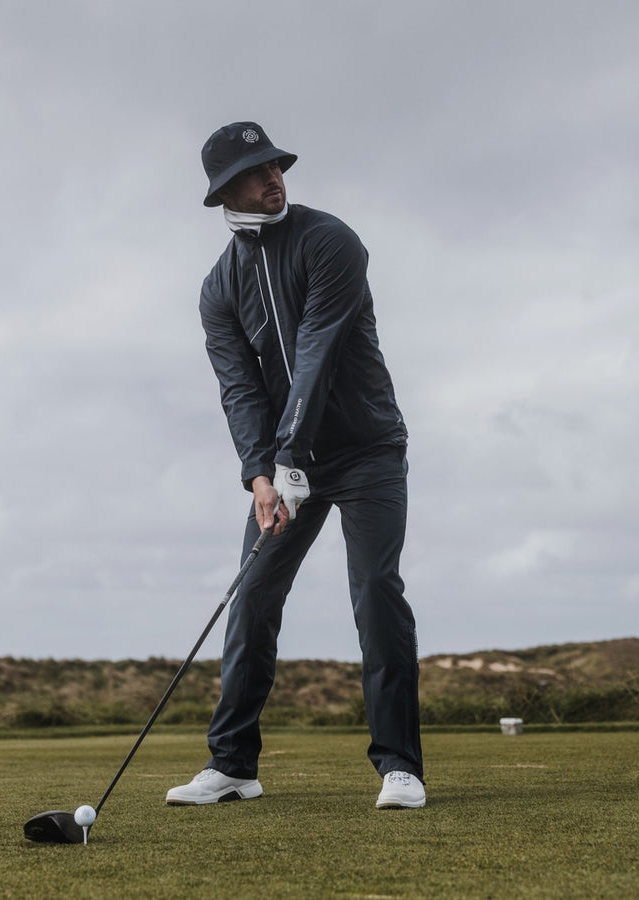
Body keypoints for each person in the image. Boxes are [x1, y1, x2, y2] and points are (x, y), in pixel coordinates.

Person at [166, 121, 424, 810]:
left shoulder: (330, 240)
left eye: (275, 165)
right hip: (282, 466)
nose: (273, 178)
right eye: (255, 173)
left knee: (376, 593)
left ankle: (400, 766)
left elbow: (317, 349)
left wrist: (288, 459)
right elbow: (239, 389)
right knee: (252, 598)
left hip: (368, 451)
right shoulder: (218, 288)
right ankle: (233, 766)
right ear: (226, 190)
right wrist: (260, 475)